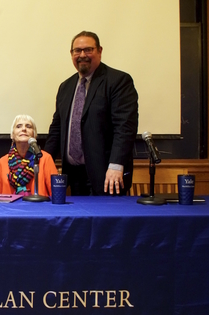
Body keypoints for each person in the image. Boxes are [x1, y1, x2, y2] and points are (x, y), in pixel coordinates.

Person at [44, 31, 138, 196]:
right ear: (71, 54)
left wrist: (116, 165)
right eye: (77, 51)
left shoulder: (118, 81)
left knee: (107, 221)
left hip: (107, 176)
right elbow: (57, 129)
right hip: (73, 176)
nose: (82, 55)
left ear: (99, 51)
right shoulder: (65, 87)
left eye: (88, 49)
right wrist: (43, 162)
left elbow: (125, 128)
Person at [0, 115, 58, 196]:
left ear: (34, 135)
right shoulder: (2, 162)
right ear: (12, 135)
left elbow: (56, 195)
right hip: (9, 208)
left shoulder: (45, 158)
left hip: (38, 207)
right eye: (18, 126)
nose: (23, 129)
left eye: (28, 126)